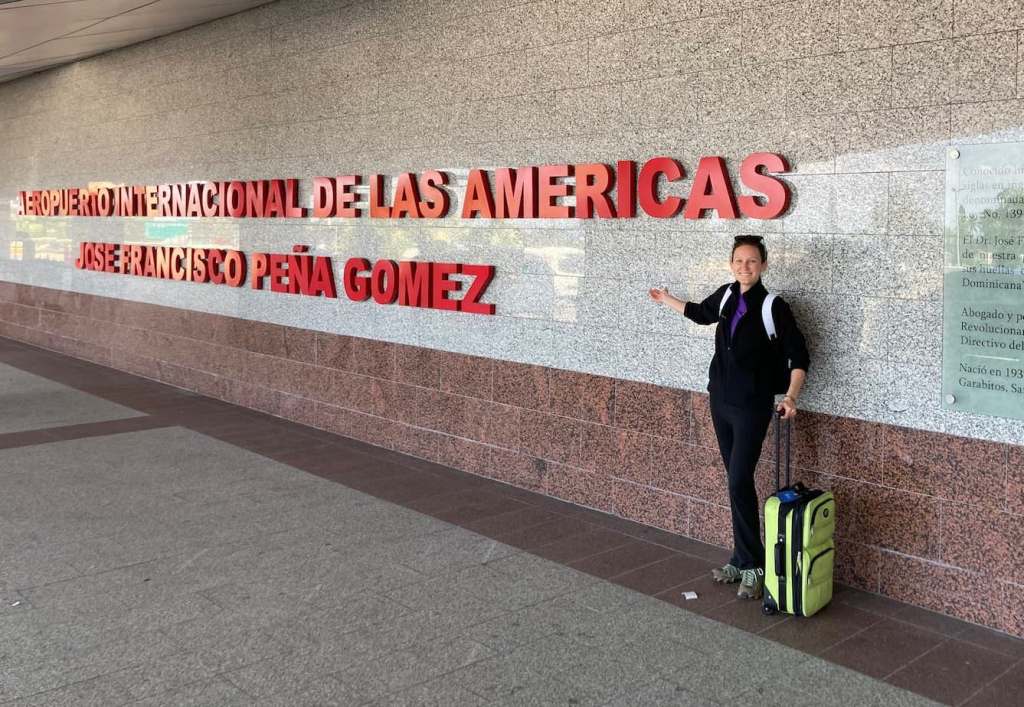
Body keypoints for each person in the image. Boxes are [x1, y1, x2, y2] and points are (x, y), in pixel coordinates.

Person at [649, 235, 809, 600]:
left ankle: (753, 563)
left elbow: (799, 357)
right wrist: (666, 299)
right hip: (719, 400)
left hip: (752, 407)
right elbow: (698, 313)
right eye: (739, 261)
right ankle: (741, 558)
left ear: (764, 265)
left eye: (752, 261)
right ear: (731, 264)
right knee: (735, 482)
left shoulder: (774, 307)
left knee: (739, 480)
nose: (744, 267)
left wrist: (791, 396)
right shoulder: (724, 296)